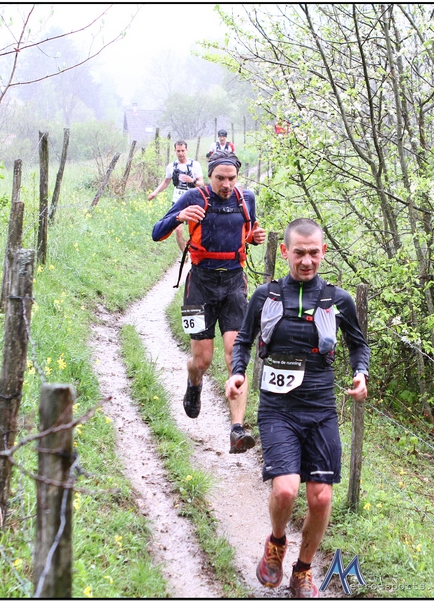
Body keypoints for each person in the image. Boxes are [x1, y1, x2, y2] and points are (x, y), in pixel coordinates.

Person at [225, 218, 370, 598]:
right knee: (287, 490)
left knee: (321, 497)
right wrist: (237, 373)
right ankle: (276, 543)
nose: (307, 261)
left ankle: (302, 571)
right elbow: (243, 340)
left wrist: (361, 374)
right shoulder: (266, 296)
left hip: (321, 410)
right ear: (286, 252)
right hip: (278, 410)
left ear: (323, 252)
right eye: (299, 253)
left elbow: (359, 345)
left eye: (314, 253)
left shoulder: (338, 300)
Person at [152, 150, 266, 453]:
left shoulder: (246, 198)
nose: (226, 184)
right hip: (200, 286)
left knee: (234, 356)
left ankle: (237, 429)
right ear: (210, 175)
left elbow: (246, 231)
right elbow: (156, 233)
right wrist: (178, 217)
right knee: (202, 360)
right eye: (220, 178)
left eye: (231, 178)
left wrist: (254, 238)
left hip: (234, 286)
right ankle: (194, 382)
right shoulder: (194, 197)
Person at [148, 140, 204, 252]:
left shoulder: (195, 165)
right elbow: (166, 182)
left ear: (186, 150)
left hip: (193, 200)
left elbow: (201, 183)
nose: (181, 153)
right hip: (178, 201)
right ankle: (185, 254)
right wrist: (155, 192)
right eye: (178, 151)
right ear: (175, 151)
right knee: (178, 230)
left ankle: (197, 252)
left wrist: (192, 180)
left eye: (183, 150)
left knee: (196, 229)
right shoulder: (171, 166)